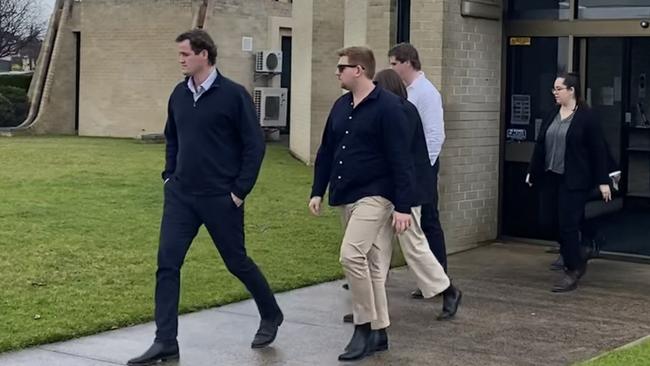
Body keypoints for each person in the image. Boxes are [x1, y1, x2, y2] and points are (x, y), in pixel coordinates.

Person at [128, 29, 283, 366]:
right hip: (181, 196)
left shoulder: (234, 95)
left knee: (236, 262)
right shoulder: (178, 95)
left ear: (204, 54)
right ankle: (165, 341)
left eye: (185, 54)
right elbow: (173, 138)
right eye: (180, 54)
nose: (180, 60)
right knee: (167, 265)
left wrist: (239, 192)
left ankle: (271, 313)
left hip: (221, 198)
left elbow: (254, 146)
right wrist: (169, 175)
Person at [309, 46, 414, 362]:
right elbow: (327, 151)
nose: (337, 72)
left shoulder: (389, 108)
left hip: (377, 195)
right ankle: (380, 331)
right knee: (368, 263)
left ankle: (364, 326)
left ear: (360, 70)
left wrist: (403, 207)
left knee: (350, 254)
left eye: (342, 67)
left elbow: (401, 160)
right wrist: (317, 191)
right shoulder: (341, 106)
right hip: (347, 195)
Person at [341, 69, 462, 326]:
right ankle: (370, 308)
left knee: (414, 245)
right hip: (385, 193)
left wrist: (404, 202)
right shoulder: (391, 112)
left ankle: (448, 289)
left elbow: (405, 160)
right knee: (377, 251)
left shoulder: (403, 113)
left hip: (406, 194)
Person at [526, 72, 611, 293]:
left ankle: (573, 269)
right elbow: (541, 144)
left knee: (568, 224)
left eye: (558, 89)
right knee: (549, 221)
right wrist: (532, 172)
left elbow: (598, 150)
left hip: (574, 179)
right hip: (551, 175)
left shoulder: (586, 117)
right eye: (554, 89)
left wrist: (603, 181)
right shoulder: (552, 113)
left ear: (571, 90)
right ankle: (585, 243)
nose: (554, 93)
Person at [388, 43, 448, 299]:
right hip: (408, 166)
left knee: (429, 221)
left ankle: (440, 279)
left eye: (394, 63)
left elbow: (435, 134)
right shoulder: (402, 92)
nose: (391, 68)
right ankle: (429, 280)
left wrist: (425, 169)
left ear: (407, 62)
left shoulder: (426, 93)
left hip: (423, 167)